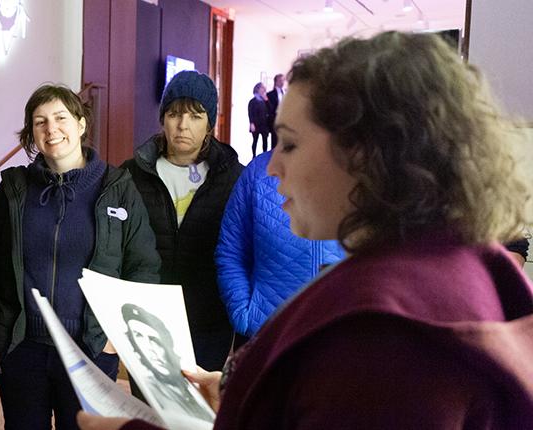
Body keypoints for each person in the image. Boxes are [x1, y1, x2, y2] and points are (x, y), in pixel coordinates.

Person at [81, 31, 533, 430]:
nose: (273, 165)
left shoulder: (391, 333)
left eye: (292, 144)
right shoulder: (429, 271)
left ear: (366, 154)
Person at [0, 84, 159, 430]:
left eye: (60, 118)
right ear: (32, 134)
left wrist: (117, 338)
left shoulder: (119, 188)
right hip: (22, 347)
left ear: (81, 124)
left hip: (92, 349)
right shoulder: (13, 190)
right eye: (40, 122)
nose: (51, 129)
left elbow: (143, 267)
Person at [120, 70, 243, 371]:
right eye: (174, 114)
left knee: (199, 413)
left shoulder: (234, 178)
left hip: (208, 320)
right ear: (163, 118)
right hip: (146, 318)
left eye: (195, 116)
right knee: (149, 412)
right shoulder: (131, 174)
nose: (183, 125)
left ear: (209, 123)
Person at [214, 149, 343, 341]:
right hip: (266, 336)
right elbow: (232, 251)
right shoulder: (259, 170)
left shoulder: (368, 170)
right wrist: (245, 315)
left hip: (346, 336)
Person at [120, 304, 212, 422]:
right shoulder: (150, 386)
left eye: (153, 339)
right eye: (138, 336)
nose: (149, 348)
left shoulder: (188, 383)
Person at [246, 83, 270, 155]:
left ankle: (264, 156)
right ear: (258, 89)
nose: (264, 89)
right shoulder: (252, 101)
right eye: (262, 88)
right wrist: (251, 123)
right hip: (256, 124)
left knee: (265, 141)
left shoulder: (265, 100)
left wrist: (266, 100)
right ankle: (254, 156)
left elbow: (270, 109)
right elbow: (250, 113)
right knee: (255, 141)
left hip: (264, 124)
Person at [264, 74, 285, 151]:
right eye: (280, 80)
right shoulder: (270, 94)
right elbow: (270, 108)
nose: (282, 82)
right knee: (274, 140)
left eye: (283, 80)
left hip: (284, 120)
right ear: (276, 81)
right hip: (274, 120)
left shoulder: (285, 93)